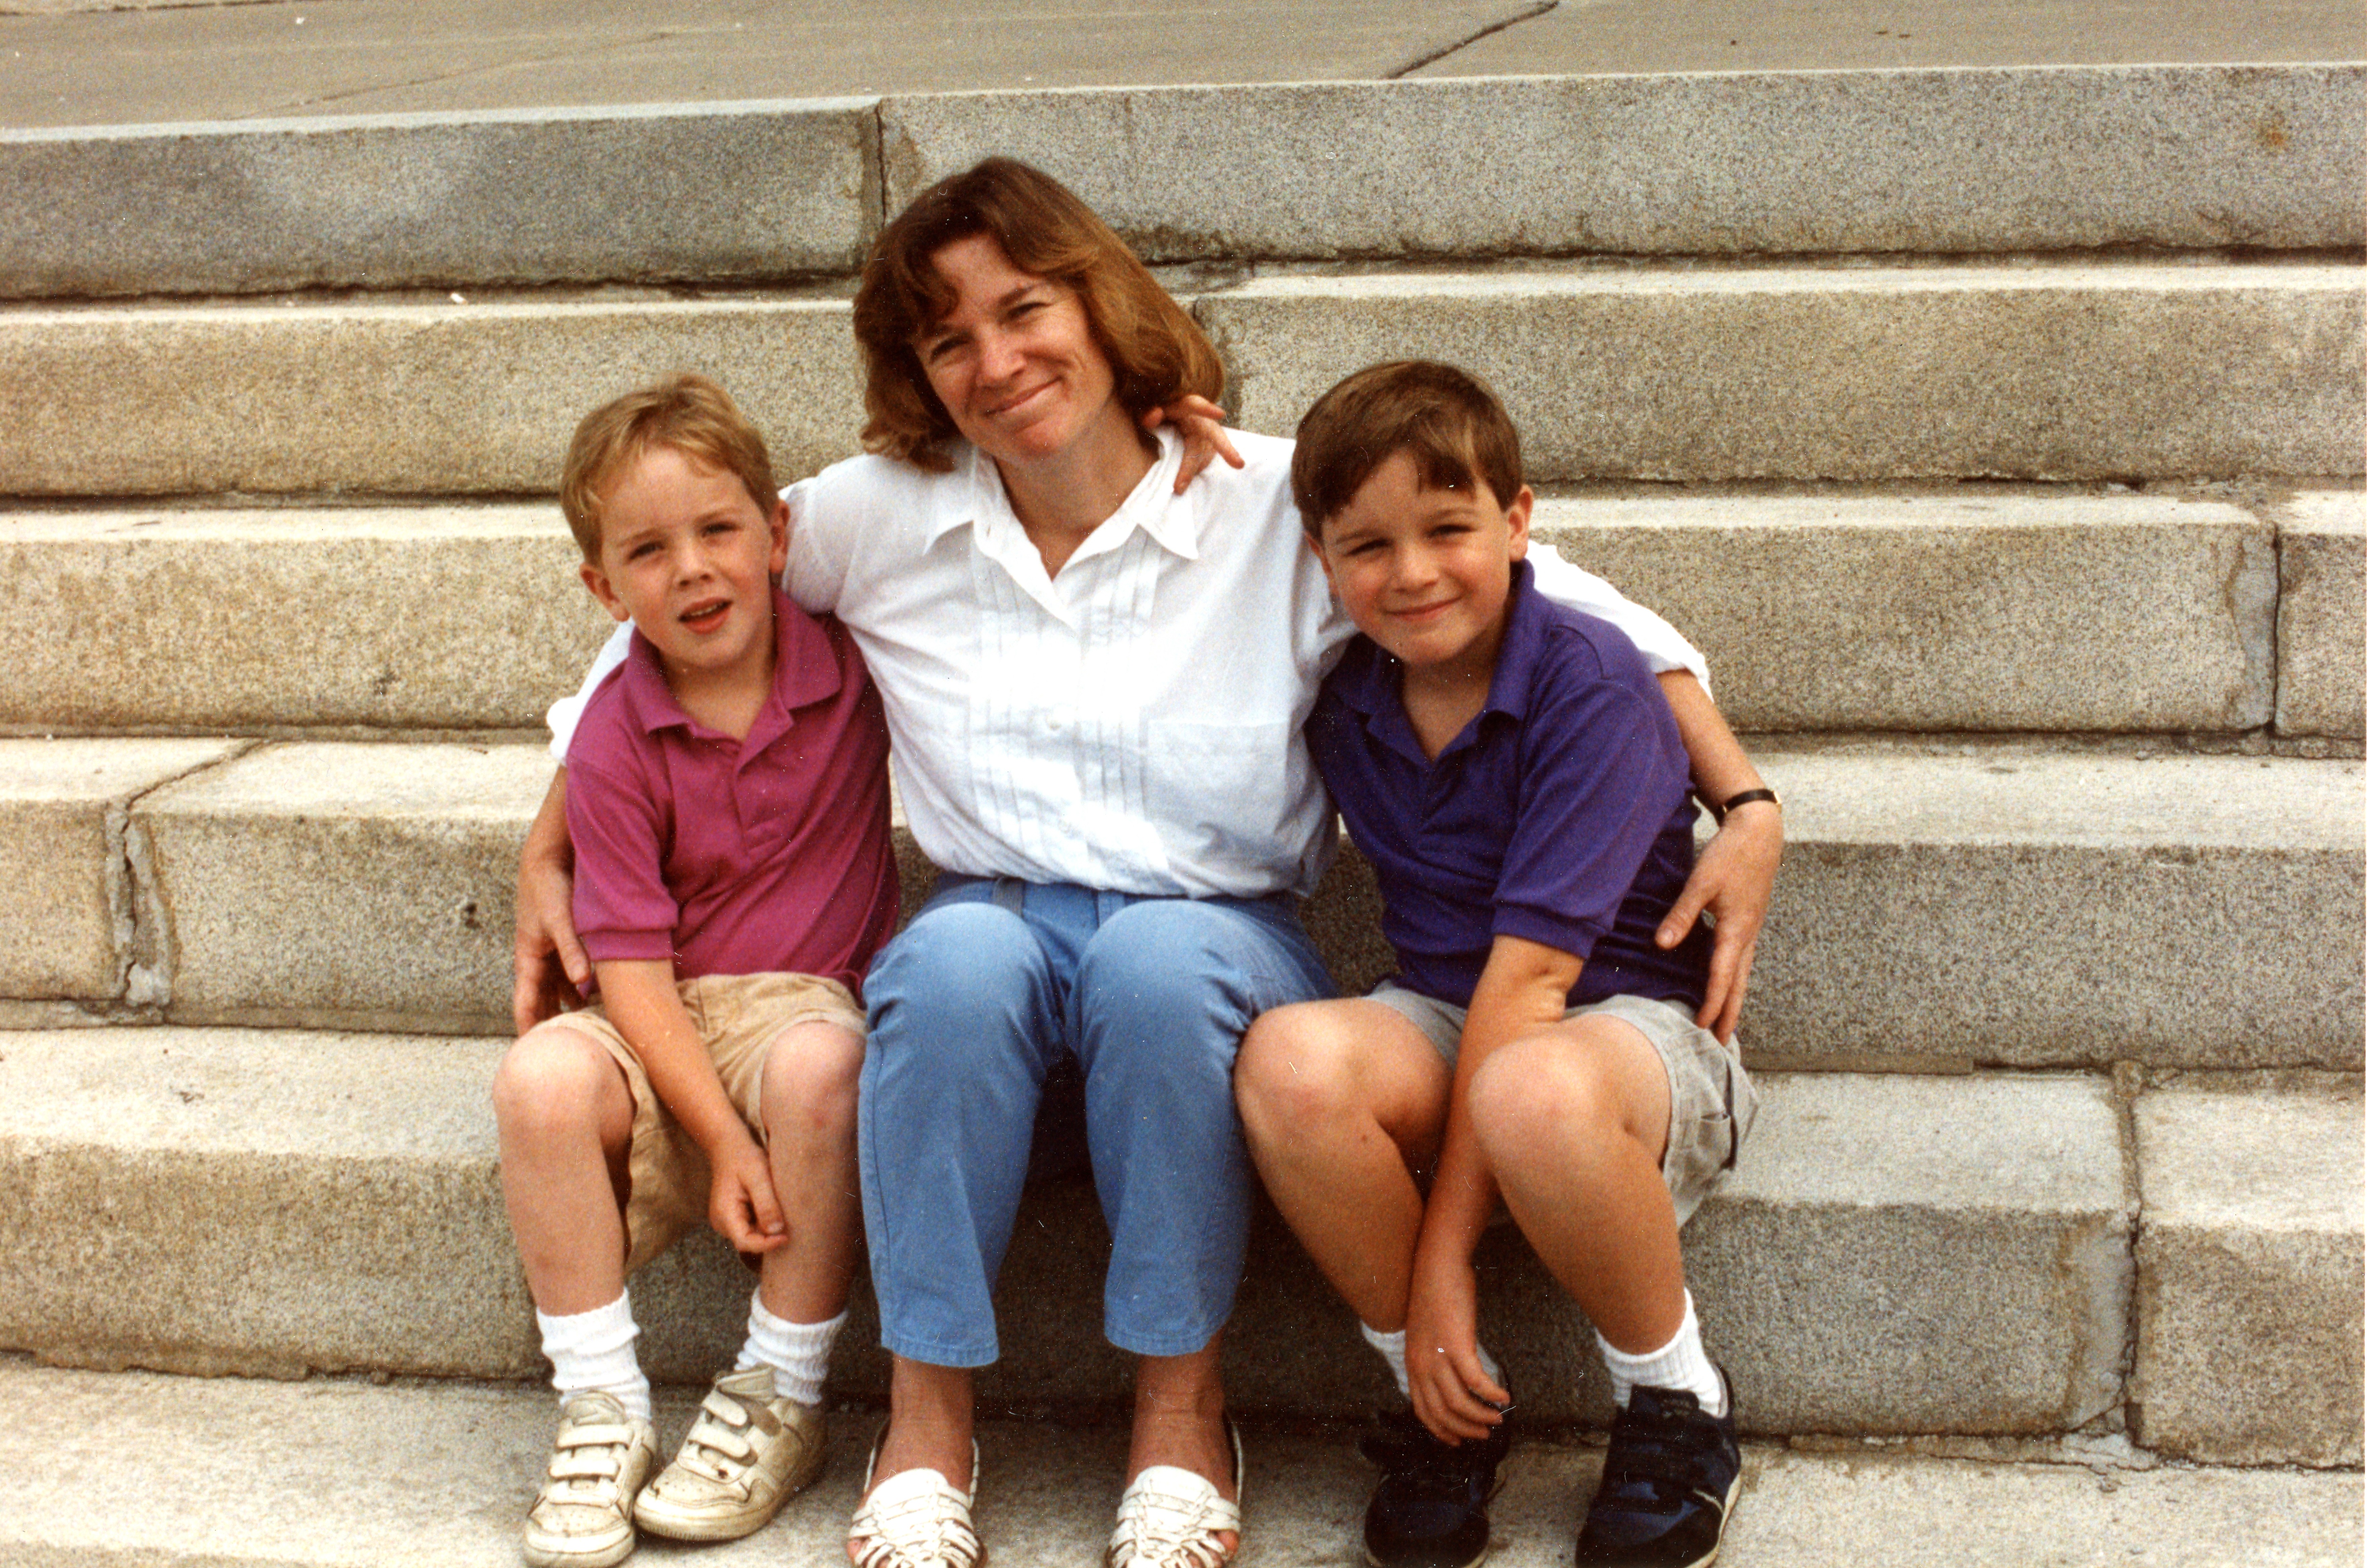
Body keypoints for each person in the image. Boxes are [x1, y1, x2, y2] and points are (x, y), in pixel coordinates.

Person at [514, 160, 1782, 1568]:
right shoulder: (877, 514)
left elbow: (1585, 620)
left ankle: (1181, 1420)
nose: (997, 362)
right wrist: (552, 840)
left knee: (1160, 960)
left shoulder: (1268, 497)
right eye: (948, 340)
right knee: (946, 960)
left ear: (1099, 302)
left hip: (1214, 945)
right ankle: (924, 1427)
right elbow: (681, 609)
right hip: (998, 936)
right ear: (918, 375)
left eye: (1025, 309)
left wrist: (1745, 800)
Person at [1236, 361, 1770, 1568]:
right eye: (1367, 545)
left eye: (1448, 529)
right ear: (1321, 559)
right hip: (1445, 1009)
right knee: (1288, 1061)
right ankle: (1445, 1396)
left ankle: (1677, 1399)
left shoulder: (1594, 681)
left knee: (1528, 1086)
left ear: (1519, 522)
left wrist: (1443, 1266)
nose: (1412, 573)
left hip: (1630, 1036)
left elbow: (1530, 994)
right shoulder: (1349, 698)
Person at [493, 375, 899, 1568]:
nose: (692, 569)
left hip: (798, 1003)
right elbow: (626, 962)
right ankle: (601, 1403)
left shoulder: (854, 667)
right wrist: (722, 1141)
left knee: (826, 1066)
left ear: (777, 534)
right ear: (603, 589)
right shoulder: (613, 732)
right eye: (647, 551)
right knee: (537, 1082)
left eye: (718, 529)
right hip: (651, 1006)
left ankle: (783, 1386)